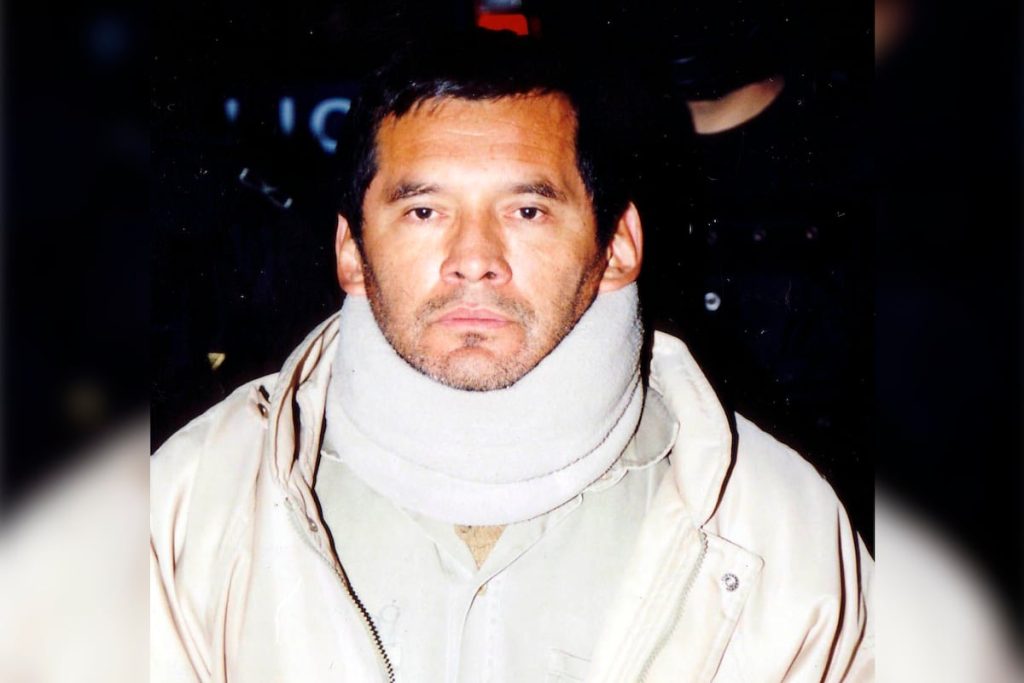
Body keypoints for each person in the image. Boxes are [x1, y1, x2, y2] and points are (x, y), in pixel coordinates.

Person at [151, 30, 873, 682]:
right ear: (350, 251)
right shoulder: (192, 504)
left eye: (527, 211)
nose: (474, 259)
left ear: (619, 246)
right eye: (424, 211)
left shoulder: (780, 527)